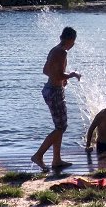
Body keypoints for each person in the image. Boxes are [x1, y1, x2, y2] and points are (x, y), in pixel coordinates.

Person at [31, 26, 81, 171]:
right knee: (61, 127)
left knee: (59, 127)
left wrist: (60, 79)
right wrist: (71, 75)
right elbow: (57, 75)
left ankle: (56, 160)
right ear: (70, 39)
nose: (73, 44)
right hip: (54, 92)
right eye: (74, 41)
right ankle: (38, 156)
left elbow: (46, 70)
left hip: (51, 90)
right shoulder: (62, 52)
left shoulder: (55, 49)